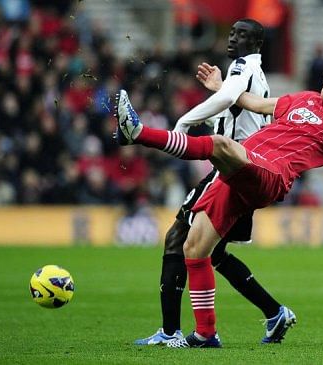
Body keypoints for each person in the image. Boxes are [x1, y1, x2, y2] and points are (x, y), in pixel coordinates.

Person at [116, 51, 323, 348]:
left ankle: (137, 133)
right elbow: (252, 102)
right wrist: (221, 87)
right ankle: (206, 334)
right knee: (194, 247)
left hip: (271, 174)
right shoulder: (303, 98)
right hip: (241, 171)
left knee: (220, 145)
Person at [122, 19, 296, 346]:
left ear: (257, 43)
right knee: (212, 254)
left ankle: (172, 332)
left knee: (178, 239)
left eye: (242, 35)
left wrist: (184, 123)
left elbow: (229, 99)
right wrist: (220, 88)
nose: (233, 38)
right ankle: (274, 312)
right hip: (246, 171)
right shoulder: (250, 73)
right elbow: (232, 100)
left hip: (231, 171)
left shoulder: (245, 65)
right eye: (231, 32)